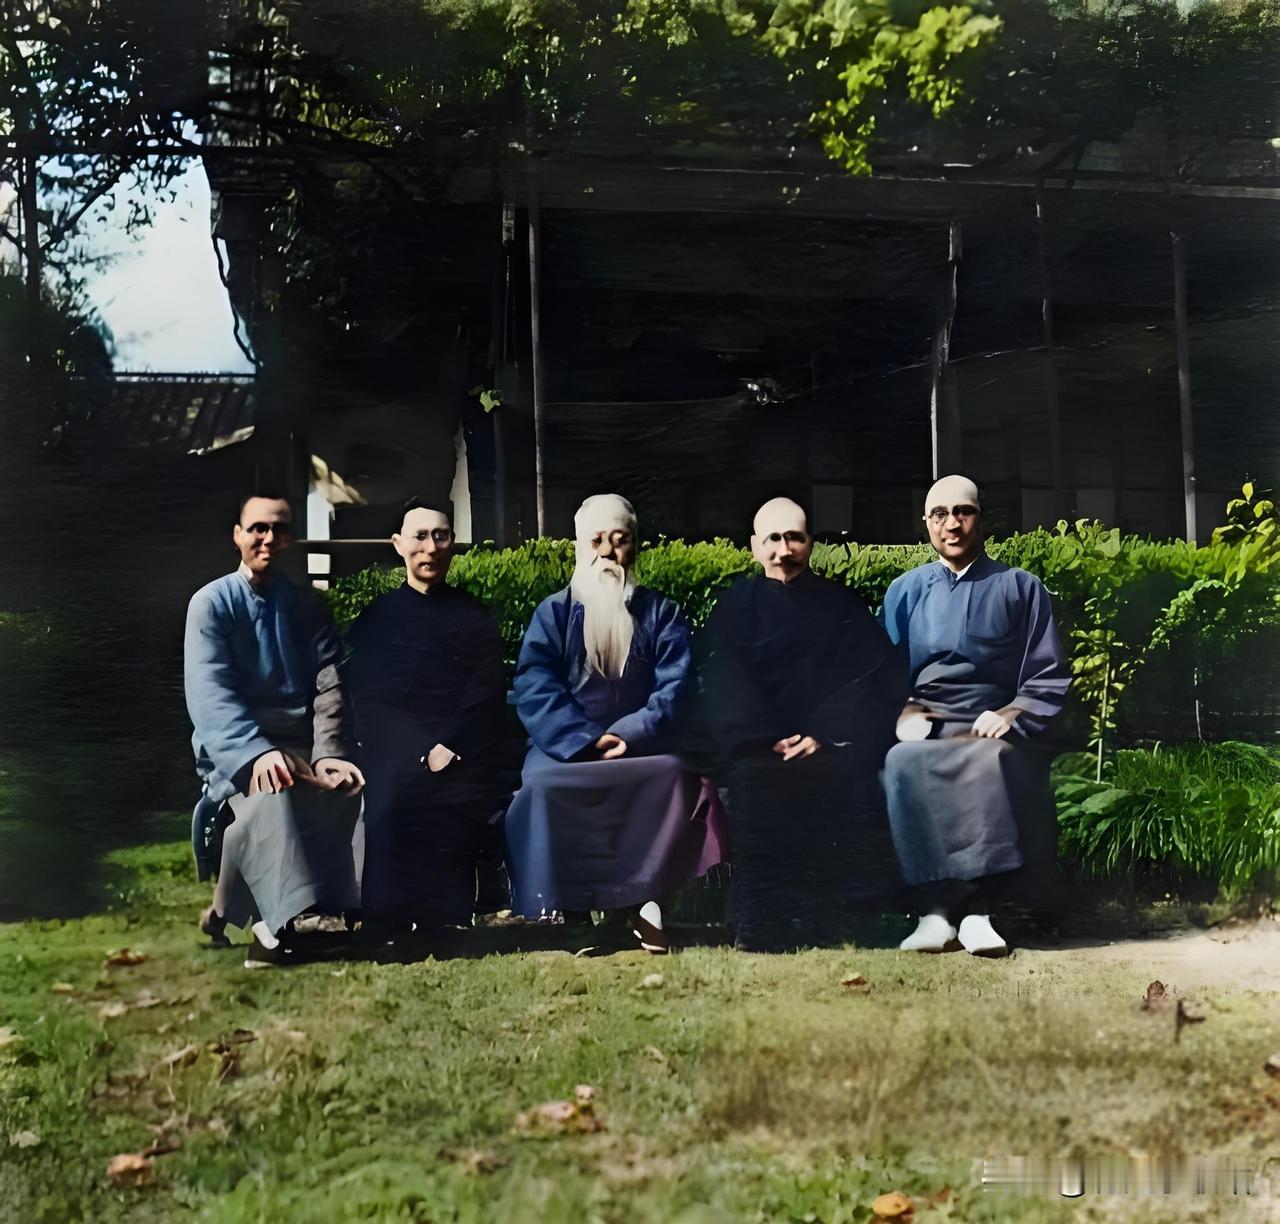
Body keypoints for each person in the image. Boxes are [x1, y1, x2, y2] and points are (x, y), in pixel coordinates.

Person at [504, 493, 724, 953]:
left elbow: (676, 687)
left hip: (642, 744)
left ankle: (640, 906)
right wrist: (584, 740)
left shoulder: (660, 612)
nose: (607, 552)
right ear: (580, 548)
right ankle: (578, 915)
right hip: (566, 746)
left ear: (635, 548)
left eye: (620, 541)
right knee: (543, 788)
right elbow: (535, 684)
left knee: (675, 779)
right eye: (597, 541)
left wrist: (628, 733)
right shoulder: (554, 612)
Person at [699, 497, 904, 952]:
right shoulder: (734, 607)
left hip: (828, 745)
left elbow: (868, 681)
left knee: (843, 778)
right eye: (773, 539)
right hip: (757, 747)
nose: (784, 549)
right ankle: (764, 925)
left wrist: (822, 735)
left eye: (794, 537)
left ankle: (834, 921)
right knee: (756, 784)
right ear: (755, 546)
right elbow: (725, 680)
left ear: (810, 543)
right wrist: (765, 738)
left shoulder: (840, 606)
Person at [882, 475, 1071, 956]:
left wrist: (1012, 711)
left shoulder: (1019, 587)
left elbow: (1045, 671)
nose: (952, 524)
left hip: (991, 721)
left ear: (980, 518)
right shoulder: (904, 592)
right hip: (928, 723)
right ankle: (933, 912)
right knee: (902, 761)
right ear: (926, 523)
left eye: (962, 512)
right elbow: (880, 677)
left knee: (987, 760)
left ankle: (978, 913)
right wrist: (903, 709)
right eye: (939, 514)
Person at [184, 494, 365, 966]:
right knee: (271, 792)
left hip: (304, 745)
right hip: (237, 750)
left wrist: (330, 753)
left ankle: (347, 910)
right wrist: (257, 753)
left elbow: (330, 681)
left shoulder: (306, 605)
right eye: (258, 528)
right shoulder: (211, 603)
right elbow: (211, 693)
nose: (269, 539)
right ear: (238, 534)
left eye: (280, 530)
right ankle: (275, 931)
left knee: (352, 787)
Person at [343, 499, 508, 941]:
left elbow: (485, 689)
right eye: (419, 537)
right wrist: (420, 748)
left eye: (441, 536)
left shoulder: (473, 615)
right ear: (399, 545)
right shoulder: (378, 618)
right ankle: (388, 921)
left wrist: (450, 745)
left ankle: (447, 916)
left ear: (452, 544)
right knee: (394, 792)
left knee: (457, 795)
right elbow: (370, 697)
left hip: (462, 746)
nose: (430, 548)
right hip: (400, 748)